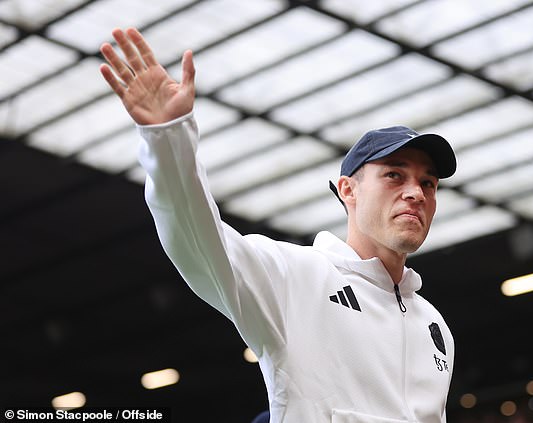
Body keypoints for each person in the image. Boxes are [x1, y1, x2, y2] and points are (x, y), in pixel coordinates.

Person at [100, 27, 457, 423]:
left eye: (428, 183)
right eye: (394, 175)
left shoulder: (434, 325)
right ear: (348, 190)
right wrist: (168, 140)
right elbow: (198, 240)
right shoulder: (293, 275)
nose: (416, 193)